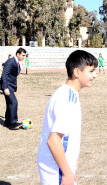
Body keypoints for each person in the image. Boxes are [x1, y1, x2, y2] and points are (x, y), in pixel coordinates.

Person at [37, 50, 98, 185]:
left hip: (60, 165)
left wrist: (72, 161)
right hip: (57, 169)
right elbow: (54, 140)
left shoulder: (69, 94)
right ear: (77, 72)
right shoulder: (67, 99)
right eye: (91, 71)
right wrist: (66, 173)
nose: (95, 75)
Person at [0, 47, 27, 129]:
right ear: (18, 54)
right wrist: (5, 88)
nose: (23, 57)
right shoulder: (11, 61)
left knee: (9, 103)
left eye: (24, 56)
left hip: (10, 86)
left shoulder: (16, 62)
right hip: (7, 86)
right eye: (22, 55)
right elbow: (4, 74)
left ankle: (7, 122)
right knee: (14, 102)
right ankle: (13, 123)